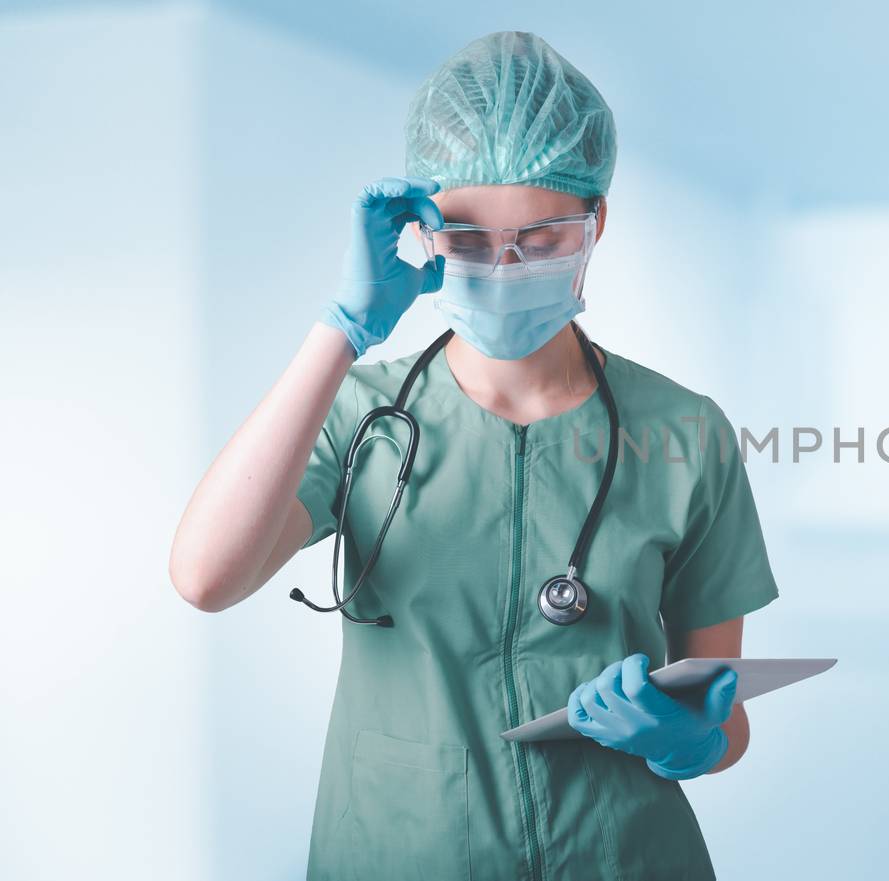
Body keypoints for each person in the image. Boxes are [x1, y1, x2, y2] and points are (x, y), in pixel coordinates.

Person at [168, 31, 779, 880]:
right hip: (397, 850)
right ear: (425, 234)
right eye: (465, 237)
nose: (503, 264)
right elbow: (205, 577)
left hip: (621, 855)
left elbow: (728, 719)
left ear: (597, 221)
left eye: (543, 236)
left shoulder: (685, 431)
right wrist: (339, 333)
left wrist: (691, 736)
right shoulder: (360, 411)